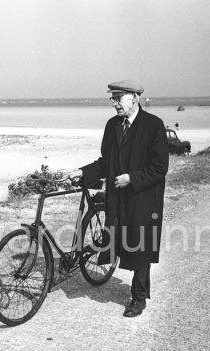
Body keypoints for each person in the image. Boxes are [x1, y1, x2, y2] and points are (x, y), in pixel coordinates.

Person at [69, 80, 169, 318]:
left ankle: (138, 297)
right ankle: (136, 291)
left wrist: (131, 179)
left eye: (118, 98)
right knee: (118, 240)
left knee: (141, 247)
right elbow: (107, 162)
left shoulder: (153, 125)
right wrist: (84, 172)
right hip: (118, 197)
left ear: (134, 97)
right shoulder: (112, 125)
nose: (114, 103)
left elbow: (159, 167)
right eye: (112, 98)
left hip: (144, 198)